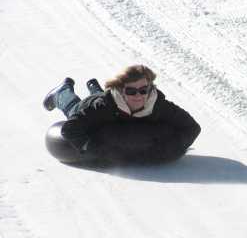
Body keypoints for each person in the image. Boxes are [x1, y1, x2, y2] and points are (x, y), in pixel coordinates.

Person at [43, 64, 201, 163]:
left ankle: (94, 87)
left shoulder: (158, 105)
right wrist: (96, 150)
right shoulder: (104, 106)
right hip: (93, 106)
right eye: (131, 91)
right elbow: (70, 129)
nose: (139, 96)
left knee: (102, 106)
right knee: (74, 107)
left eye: (143, 90)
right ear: (120, 90)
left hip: (111, 116)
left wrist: (170, 149)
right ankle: (62, 92)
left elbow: (192, 127)